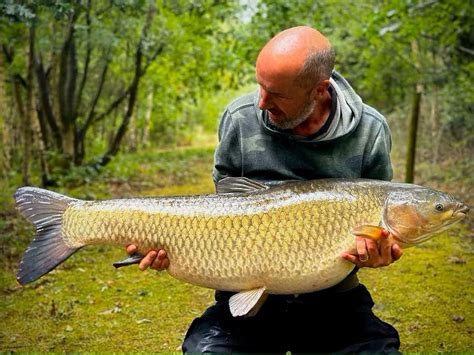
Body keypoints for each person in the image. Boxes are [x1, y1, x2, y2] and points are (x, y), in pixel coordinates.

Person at [126, 26, 404, 353]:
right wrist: (169, 247)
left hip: (334, 298)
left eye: (277, 94)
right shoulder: (240, 118)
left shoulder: (370, 131)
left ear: (318, 90)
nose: (261, 102)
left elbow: (381, 221)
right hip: (245, 294)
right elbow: (225, 211)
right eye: (261, 86)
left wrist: (377, 253)